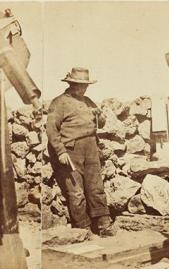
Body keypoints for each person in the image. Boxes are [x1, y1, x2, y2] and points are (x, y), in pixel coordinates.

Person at [46, 67, 116, 236]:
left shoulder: (89, 101)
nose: (84, 88)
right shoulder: (59, 102)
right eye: (80, 85)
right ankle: (82, 229)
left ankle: (103, 225)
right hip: (71, 150)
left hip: (91, 146)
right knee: (76, 191)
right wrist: (60, 151)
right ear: (71, 84)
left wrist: (100, 116)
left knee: (96, 186)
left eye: (86, 85)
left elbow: (102, 123)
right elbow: (51, 129)